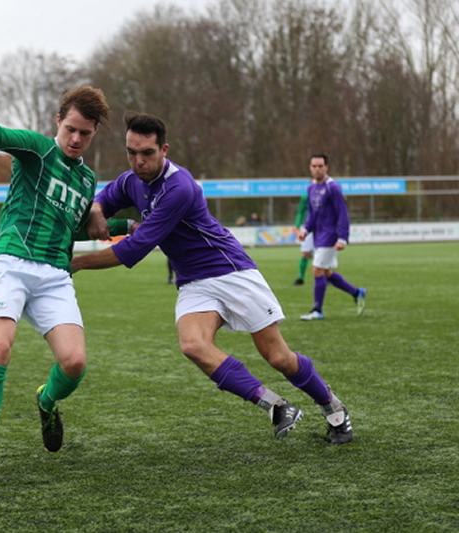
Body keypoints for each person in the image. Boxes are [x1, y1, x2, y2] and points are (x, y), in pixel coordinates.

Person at [72, 112, 353, 445]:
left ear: (164, 149)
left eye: (147, 153)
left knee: (279, 358)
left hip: (231, 272)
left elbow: (135, 248)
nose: (138, 161)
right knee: (193, 345)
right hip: (193, 282)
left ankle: (333, 407)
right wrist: (95, 210)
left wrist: (75, 263)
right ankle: (276, 406)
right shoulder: (131, 180)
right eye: (131, 152)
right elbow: (104, 200)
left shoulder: (179, 186)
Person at [0, 76, 130, 488]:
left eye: (85, 134)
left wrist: (126, 224)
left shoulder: (87, 181)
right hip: (11, 263)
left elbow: (78, 228)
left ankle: (46, 400)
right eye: (70, 129)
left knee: (74, 363)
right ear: (58, 121)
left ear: (94, 134)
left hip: (55, 274)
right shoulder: (35, 149)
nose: (75, 139)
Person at [297, 154, 366, 320]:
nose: (317, 169)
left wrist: (342, 238)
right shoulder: (311, 188)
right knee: (326, 272)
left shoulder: (333, 187)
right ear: (310, 167)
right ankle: (357, 293)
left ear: (326, 167)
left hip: (330, 235)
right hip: (318, 235)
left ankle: (317, 310)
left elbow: (342, 213)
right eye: (314, 166)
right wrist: (305, 229)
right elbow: (312, 214)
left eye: (320, 166)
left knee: (317, 270)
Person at [292, 187, 313, 286]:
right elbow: (300, 211)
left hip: (324, 229)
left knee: (323, 253)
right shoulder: (306, 196)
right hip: (309, 228)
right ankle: (301, 278)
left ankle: (327, 277)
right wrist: (297, 226)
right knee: (305, 253)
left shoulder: (328, 194)